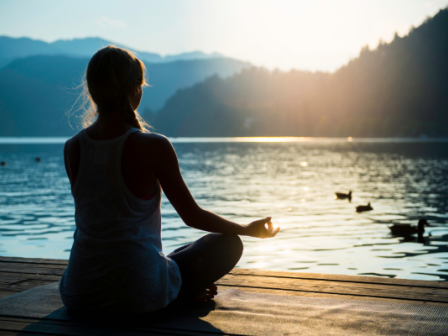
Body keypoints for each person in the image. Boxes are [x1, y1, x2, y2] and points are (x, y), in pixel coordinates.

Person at [59, 45, 280, 314]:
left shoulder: (73, 147)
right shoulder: (153, 145)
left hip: (79, 293)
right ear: (134, 90)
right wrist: (247, 228)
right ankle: (182, 294)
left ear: (93, 92)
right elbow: (192, 216)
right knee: (227, 243)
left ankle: (179, 288)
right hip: (138, 293)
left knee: (173, 254)